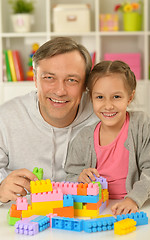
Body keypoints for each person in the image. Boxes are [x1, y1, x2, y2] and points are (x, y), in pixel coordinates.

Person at [0, 37, 97, 203]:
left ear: (85, 85)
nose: (60, 91)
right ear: (35, 80)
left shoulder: (104, 116)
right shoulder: (6, 117)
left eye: (71, 80)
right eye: (49, 78)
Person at [65, 60, 150, 215]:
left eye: (116, 97)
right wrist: (79, 177)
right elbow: (70, 175)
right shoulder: (83, 137)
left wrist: (133, 200)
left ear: (130, 97)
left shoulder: (142, 125)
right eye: (100, 97)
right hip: (96, 209)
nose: (108, 106)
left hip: (137, 206)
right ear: (91, 98)